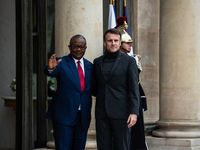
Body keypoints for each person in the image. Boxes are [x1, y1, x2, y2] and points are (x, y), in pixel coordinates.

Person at [44, 34, 94, 150]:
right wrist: (51, 68)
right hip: (64, 116)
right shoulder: (61, 62)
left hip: (82, 117)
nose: (78, 49)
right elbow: (51, 71)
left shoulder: (90, 66)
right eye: (75, 46)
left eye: (81, 47)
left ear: (85, 48)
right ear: (69, 47)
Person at [93, 28, 140, 150]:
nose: (113, 43)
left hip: (122, 113)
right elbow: (94, 87)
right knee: (103, 147)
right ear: (104, 42)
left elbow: (134, 89)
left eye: (116, 40)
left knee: (121, 147)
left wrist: (134, 112)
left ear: (120, 43)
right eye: (110, 41)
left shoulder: (129, 61)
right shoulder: (97, 62)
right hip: (102, 113)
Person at [116, 16, 148, 150]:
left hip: (133, 100)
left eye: (130, 43)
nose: (130, 45)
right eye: (127, 43)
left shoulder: (132, 60)